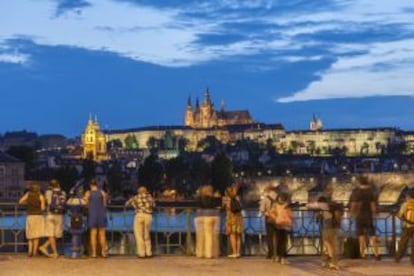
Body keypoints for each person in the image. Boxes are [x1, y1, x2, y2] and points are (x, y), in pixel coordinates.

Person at [307, 196, 343, 270]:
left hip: (328, 228)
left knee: (329, 246)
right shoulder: (333, 207)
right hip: (336, 228)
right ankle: (332, 262)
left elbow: (309, 206)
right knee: (332, 246)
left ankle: (331, 263)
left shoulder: (324, 206)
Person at [350, 177, 381, 260]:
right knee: (372, 235)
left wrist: (352, 214)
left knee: (361, 236)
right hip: (368, 216)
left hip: (359, 216)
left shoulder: (356, 192)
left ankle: (363, 254)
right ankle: (377, 253)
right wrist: (374, 214)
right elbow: (373, 206)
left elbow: (354, 204)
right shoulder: (371, 192)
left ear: (359, 183)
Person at [39, 179, 66, 258]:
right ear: (58, 184)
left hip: (50, 214)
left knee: (51, 234)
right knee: (57, 235)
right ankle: (44, 247)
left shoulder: (48, 192)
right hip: (60, 215)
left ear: (50, 185)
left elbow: (47, 202)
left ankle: (54, 252)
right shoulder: (63, 192)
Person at [125, 186, 155, 258]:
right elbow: (154, 205)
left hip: (139, 215)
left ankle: (141, 253)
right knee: (147, 235)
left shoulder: (136, 197)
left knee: (139, 235)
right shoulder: (150, 197)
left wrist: (134, 205)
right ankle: (148, 252)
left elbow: (126, 204)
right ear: (146, 191)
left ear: (139, 192)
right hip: (148, 216)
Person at [18, 183, 46, 257]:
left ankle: (29, 252)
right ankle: (34, 252)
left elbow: (20, 201)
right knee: (36, 235)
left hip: (30, 216)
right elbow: (43, 208)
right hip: (38, 216)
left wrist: (27, 203)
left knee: (30, 234)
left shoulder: (28, 194)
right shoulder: (40, 196)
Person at [195, 185, 222, 258]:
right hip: (216, 216)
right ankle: (215, 253)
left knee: (206, 236)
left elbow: (202, 206)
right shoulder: (215, 197)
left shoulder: (202, 198)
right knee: (215, 236)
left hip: (205, 216)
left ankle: (206, 253)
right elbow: (219, 206)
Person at [84, 180, 108, 258]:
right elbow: (104, 204)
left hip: (92, 215)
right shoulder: (102, 192)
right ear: (97, 185)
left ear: (90, 185)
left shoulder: (88, 193)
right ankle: (104, 252)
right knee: (102, 234)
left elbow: (85, 204)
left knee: (93, 234)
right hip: (101, 214)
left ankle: (94, 253)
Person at [268, 192, 293, 265]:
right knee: (283, 242)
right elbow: (290, 215)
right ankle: (282, 257)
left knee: (279, 241)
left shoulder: (275, 205)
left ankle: (279, 257)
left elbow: (271, 213)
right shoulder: (286, 206)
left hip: (279, 224)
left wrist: (275, 219)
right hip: (283, 224)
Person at [223, 186, 243, 258]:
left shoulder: (226, 199)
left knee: (232, 235)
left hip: (231, 218)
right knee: (238, 236)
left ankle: (234, 252)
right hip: (239, 218)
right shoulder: (238, 198)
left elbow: (224, 208)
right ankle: (238, 252)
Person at [395, 189, 414, 264]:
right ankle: (413, 260)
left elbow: (400, 215)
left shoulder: (406, 204)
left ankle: (398, 258)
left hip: (408, 226)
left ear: (409, 197)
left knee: (403, 242)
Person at [259, 186, 278, 259]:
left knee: (270, 236)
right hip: (278, 218)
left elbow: (262, 210)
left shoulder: (265, 199)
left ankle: (271, 253)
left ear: (268, 191)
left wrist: (267, 212)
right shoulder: (278, 198)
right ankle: (279, 253)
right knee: (278, 236)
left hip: (269, 218)